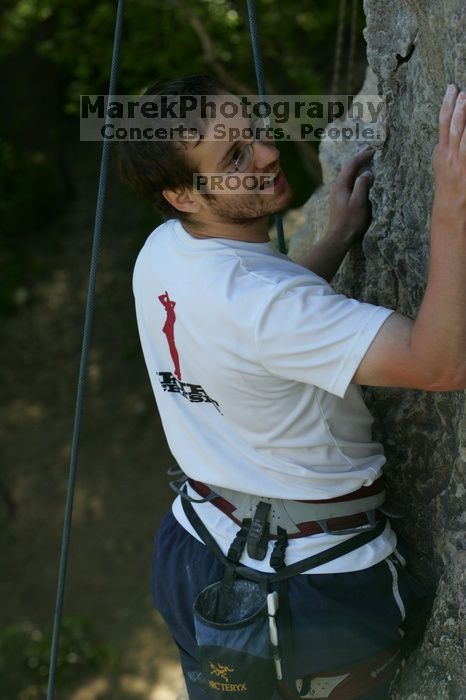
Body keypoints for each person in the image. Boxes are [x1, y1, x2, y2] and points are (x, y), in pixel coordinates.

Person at [118, 75, 466, 699]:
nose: (268, 154)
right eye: (234, 158)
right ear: (181, 194)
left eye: (252, 131)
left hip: (193, 549)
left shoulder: (163, 252)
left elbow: (257, 338)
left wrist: (334, 238)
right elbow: (439, 364)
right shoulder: (265, 304)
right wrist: (452, 208)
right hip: (313, 591)